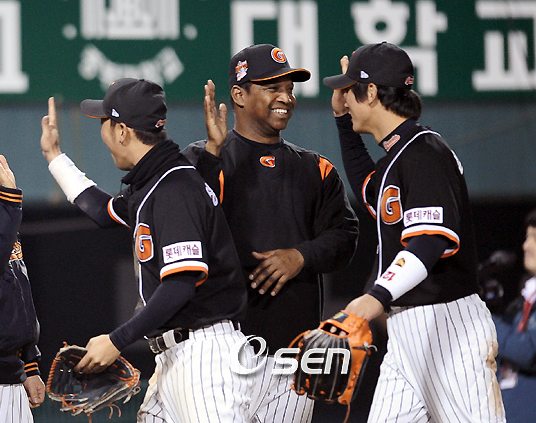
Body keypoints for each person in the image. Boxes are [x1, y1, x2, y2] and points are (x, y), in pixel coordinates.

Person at [39, 79, 254, 423]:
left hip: (205, 358)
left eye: (104, 122)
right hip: (176, 355)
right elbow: (103, 211)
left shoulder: (174, 188)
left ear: (122, 131)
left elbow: (180, 285)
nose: (102, 132)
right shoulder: (156, 181)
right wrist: (54, 156)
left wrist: (117, 340)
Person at [323, 42, 505, 423]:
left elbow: (429, 241)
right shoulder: (400, 155)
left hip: (449, 329)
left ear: (371, 92)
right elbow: (370, 191)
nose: (344, 98)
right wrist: (342, 122)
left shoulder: (426, 153)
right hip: (405, 333)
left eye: (350, 90)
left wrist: (375, 296)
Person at [183, 44, 359, 423]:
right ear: (239, 95)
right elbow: (184, 228)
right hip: (221, 351)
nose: (286, 98)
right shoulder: (201, 159)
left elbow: (345, 236)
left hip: (292, 355)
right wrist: (212, 156)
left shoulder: (315, 168)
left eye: (289, 89)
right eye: (272, 88)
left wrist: (301, 256)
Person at [0, 154, 45, 422]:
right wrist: (9, 202)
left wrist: (30, 364)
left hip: (10, 377)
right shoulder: (6, 212)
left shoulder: (3, 215)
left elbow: (17, 294)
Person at [492, 208, 536, 423]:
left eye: (534, 238)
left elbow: (527, 351)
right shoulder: (526, 297)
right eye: (527, 237)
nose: (525, 246)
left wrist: (486, 321)